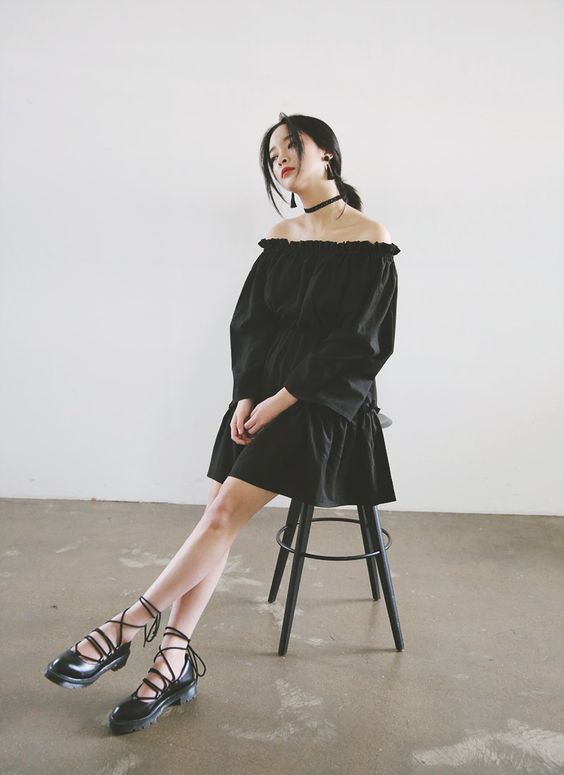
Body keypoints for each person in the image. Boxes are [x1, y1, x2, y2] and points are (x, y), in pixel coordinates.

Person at [43, 111, 400, 735]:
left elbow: (360, 345)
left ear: (328, 154)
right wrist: (244, 397)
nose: (280, 158)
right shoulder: (282, 236)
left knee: (220, 515)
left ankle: (124, 627)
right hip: (261, 399)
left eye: (291, 146)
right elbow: (252, 327)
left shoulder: (370, 237)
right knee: (217, 517)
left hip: (325, 404)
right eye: (272, 153)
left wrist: (279, 400)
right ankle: (173, 661)